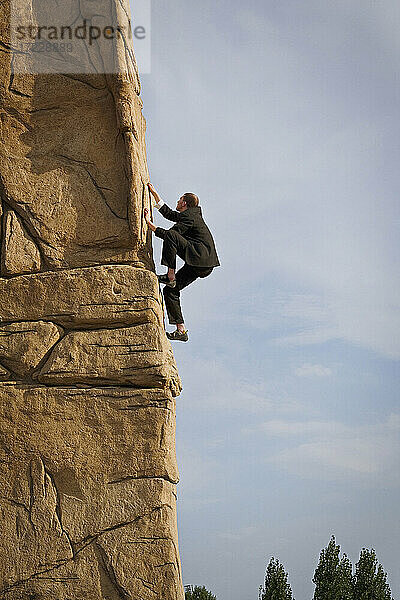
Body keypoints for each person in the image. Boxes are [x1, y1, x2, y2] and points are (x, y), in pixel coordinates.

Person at [144, 183, 220, 342]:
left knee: (171, 235)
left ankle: (170, 275)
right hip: (200, 265)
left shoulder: (191, 216)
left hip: (200, 258)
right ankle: (181, 330)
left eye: (179, 200)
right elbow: (171, 215)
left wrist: (150, 226)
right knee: (170, 291)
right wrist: (155, 195)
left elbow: (171, 235)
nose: (177, 202)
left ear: (184, 203)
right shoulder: (190, 215)